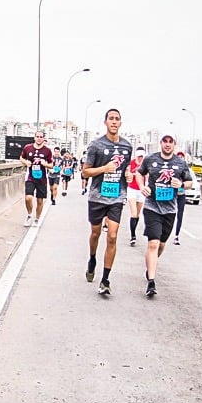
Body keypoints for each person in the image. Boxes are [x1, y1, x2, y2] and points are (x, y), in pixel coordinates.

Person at [134, 135, 194, 297]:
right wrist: (141, 186)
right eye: (164, 141)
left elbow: (189, 182)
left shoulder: (180, 163)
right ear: (160, 143)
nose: (167, 145)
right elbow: (139, 173)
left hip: (170, 209)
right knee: (152, 244)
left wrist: (181, 184)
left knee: (160, 245)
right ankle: (151, 282)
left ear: (174, 144)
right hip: (152, 207)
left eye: (170, 142)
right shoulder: (150, 159)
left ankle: (151, 264)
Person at [81, 108, 133, 294]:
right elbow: (85, 172)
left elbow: (126, 169)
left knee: (112, 236)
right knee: (96, 233)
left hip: (117, 197)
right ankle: (92, 258)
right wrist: (104, 168)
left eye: (117, 119)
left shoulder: (127, 146)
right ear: (105, 122)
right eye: (111, 119)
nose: (114, 122)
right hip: (97, 196)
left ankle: (105, 280)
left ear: (120, 123)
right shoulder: (96, 145)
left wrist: (127, 174)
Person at [19, 131, 53, 226]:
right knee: (28, 198)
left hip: (42, 179)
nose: (39, 138)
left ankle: (37, 219)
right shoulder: (27, 148)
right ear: (34, 138)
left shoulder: (47, 151)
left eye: (41, 137)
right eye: (37, 136)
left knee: (40, 200)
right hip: (30, 177)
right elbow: (21, 158)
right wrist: (26, 163)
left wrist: (44, 164)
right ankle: (29, 215)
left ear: (43, 138)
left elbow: (51, 165)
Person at [125, 146, 146, 246]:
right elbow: (128, 173)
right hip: (132, 189)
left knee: (137, 214)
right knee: (133, 213)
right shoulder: (131, 163)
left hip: (141, 191)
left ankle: (134, 231)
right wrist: (130, 175)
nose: (140, 158)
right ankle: (133, 236)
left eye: (142, 156)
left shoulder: (146, 164)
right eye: (139, 156)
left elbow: (149, 176)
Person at [173, 150, 188, 245]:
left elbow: (189, 182)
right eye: (179, 157)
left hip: (181, 195)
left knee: (180, 215)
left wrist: (182, 184)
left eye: (182, 157)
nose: (180, 159)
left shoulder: (186, 170)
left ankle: (176, 236)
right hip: (172, 195)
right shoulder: (172, 169)